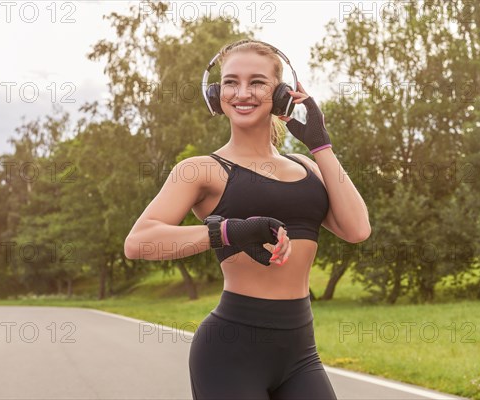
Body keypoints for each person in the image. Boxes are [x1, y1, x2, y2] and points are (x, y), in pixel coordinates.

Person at [124, 39, 371, 400]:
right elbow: (139, 242)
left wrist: (320, 144)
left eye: (257, 82)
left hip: (300, 354)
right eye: (230, 82)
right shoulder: (200, 170)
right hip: (229, 352)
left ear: (283, 94)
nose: (242, 93)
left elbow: (357, 229)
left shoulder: (307, 166)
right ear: (215, 93)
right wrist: (227, 232)